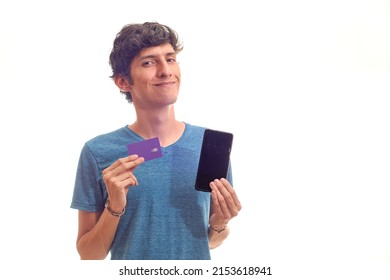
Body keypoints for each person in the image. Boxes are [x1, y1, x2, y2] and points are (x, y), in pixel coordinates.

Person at [70, 22, 242, 260]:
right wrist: (115, 207)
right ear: (122, 82)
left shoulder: (210, 145)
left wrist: (219, 224)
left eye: (170, 59)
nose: (165, 71)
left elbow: (211, 241)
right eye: (149, 62)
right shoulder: (98, 151)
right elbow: (89, 254)